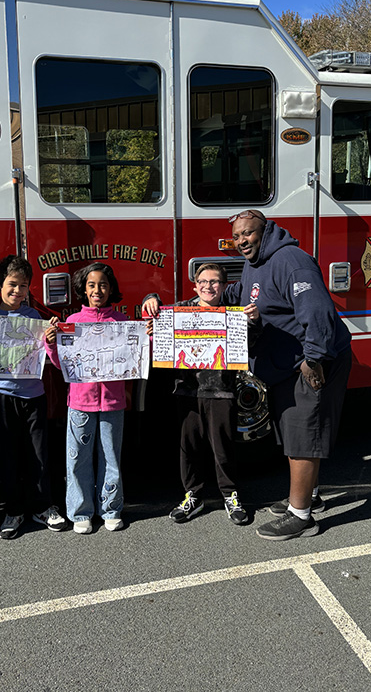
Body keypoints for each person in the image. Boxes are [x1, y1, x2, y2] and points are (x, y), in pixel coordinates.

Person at [225, 209, 352, 541]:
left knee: (303, 436)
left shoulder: (290, 261)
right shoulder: (256, 265)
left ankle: (301, 516)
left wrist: (314, 359)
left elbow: (318, 312)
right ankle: (309, 496)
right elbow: (238, 296)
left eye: (247, 234)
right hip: (288, 364)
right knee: (294, 433)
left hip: (311, 364)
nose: (242, 241)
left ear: (264, 231)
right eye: (237, 237)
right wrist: (187, 302)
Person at [143, 263, 260, 525]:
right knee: (190, 446)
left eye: (215, 281)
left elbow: (250, 345)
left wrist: (253, 322)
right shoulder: (181, 310)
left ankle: (230, 495)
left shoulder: (234, 314)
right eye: (203, 281)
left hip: (222, 390)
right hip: (187, 391)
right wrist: (149, 299)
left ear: (224, 285)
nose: (209, 286)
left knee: (224, 446)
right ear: (195, 285)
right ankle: (193, 495)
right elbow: (154, 309)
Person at [0, 255, 67, 540]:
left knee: (39, 453)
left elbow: (48, 350)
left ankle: (43, 507)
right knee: (8, 456)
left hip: (34, 395)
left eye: (23, 286)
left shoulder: (34, 318)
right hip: (2, 396)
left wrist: (51, 335)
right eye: (12, 284)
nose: (17, 291)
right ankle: (13, 510)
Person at [44, 262, 127, 534]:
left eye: (103, 285)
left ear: (111, 288)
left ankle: (111, 509)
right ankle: (80, 512)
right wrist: (50, 343)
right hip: (80, 402)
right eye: (91, 285)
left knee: (111, 457)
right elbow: (60, 364)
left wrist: (146, 338)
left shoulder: (123, 322)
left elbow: (135, 358)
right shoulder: (73, 323)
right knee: (77, 457)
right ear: (83, 289)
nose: (97, 290)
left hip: (113, 401)